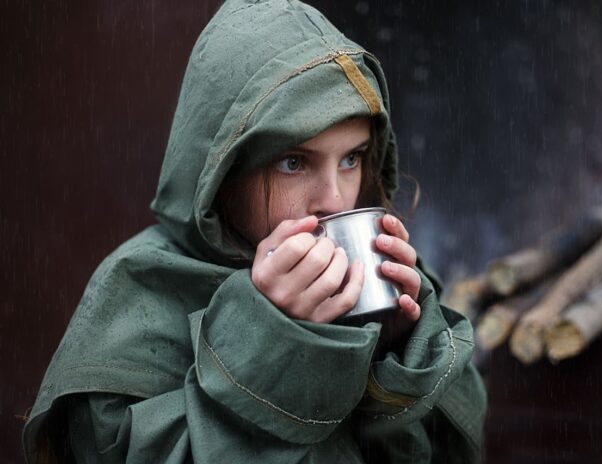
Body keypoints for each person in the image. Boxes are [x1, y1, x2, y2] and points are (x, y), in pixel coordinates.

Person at [23, 1, 486, 462]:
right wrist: (271, 339)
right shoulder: (141, 289)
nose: (335, 199)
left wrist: (392, 353)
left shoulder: (378, 276)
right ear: (224, 172)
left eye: (351, 158)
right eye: (293, 162)